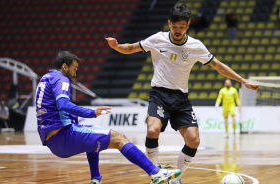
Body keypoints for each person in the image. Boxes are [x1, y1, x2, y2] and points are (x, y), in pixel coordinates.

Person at [105, 3, 259, 184]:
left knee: (193, 140)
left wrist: (242, 80)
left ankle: (175, 179)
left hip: (181, 98)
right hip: (159, 94)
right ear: (169, 23)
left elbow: (218, 66)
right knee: (152, 129)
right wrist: (116, 47)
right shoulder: (158, 39)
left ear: (188, 25)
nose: (177, 30)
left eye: (182, 27)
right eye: (174, 26)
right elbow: (131, 48)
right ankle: (155, 175)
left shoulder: (196, 46)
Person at [35, 51, 181, 184]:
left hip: (53, 142)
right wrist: (92, 113)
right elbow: (63, 104)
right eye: (74, 69)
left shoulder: (46, 78)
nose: (75, 74)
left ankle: (96, 179)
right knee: (119, 138)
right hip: (64, 136)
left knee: (93, 139)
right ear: (65, 67)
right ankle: (155, 173)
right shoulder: (61, 79)